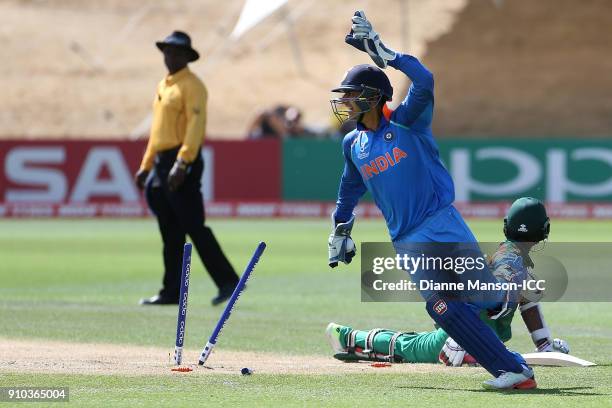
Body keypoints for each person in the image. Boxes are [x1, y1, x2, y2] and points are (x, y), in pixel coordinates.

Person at [327, 11, 536, 389]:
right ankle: (513, 370)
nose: (346, 102)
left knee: (486, 303)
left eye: (353, 95)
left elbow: (425, 79)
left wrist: (384, 52)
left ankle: (512, 299)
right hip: (407, 240)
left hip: (440, 223)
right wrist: (340, 227)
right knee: (443, 308)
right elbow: (350, 187)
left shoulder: (408, 122)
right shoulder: (353, 144)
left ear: (375, 97)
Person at [326, 197, 570, 366]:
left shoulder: (514, 260)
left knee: (412, 344)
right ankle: (346, 337)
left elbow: (524, 296)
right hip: (462, 337)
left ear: (506, 227)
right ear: (544, 231)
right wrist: (460, 338)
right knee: (409, 347)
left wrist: (545, 345)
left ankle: (348, 337)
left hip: (469, 335)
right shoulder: (511, 260)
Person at [135, 31, 239, 306]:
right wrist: (146, 165)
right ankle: (171, 292)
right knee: (170, 230)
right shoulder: (164, 85)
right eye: (167, 51)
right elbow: (158, 132)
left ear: (186, 56)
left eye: (176, 52)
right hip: (161, 161)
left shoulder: (193, 86)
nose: (170, 56)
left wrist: (183, 162)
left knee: (194, 225)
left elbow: (195, 127)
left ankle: (229, 282)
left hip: (183, 161)